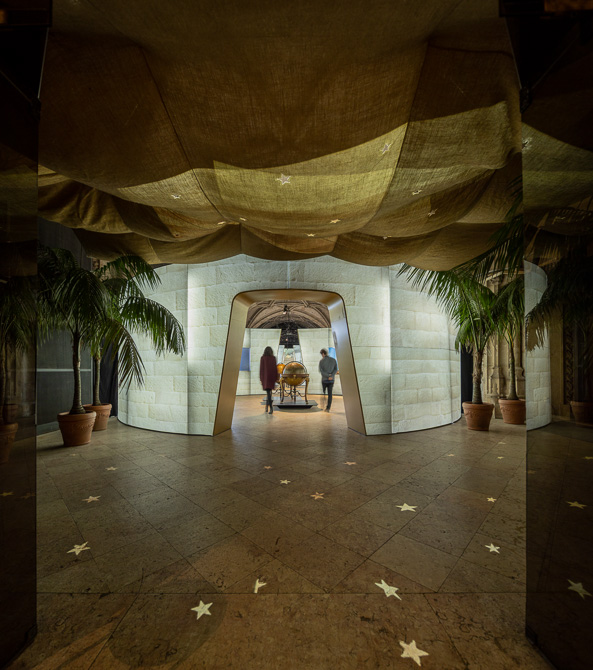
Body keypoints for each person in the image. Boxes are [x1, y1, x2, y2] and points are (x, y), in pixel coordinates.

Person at [259, 346, 278, 414]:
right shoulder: (273, 358)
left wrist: (261, 378)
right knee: (269, 393)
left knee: (268, 393)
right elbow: (275, 369)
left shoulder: (263, 358)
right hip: (271, 378)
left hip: (265, 378)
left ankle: (271, 408)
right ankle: (267, 407)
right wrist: (276, 378)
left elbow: (261, 369)